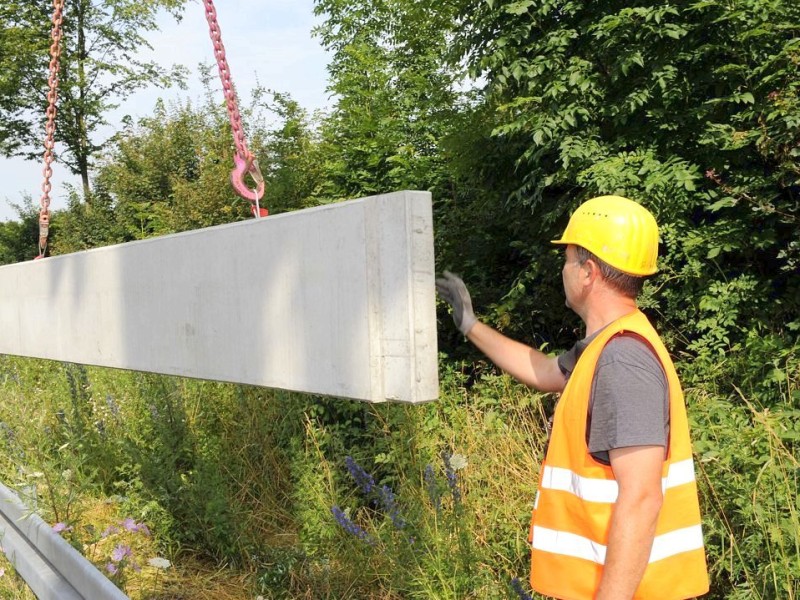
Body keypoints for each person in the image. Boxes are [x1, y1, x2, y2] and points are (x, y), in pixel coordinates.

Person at [436, 196, 709, 599]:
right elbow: (546, 371)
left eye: (567, 259)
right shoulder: (602, 347)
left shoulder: (623, 360)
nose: (562, 270)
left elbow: (642, 496)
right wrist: (470, 324)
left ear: (588, 272)